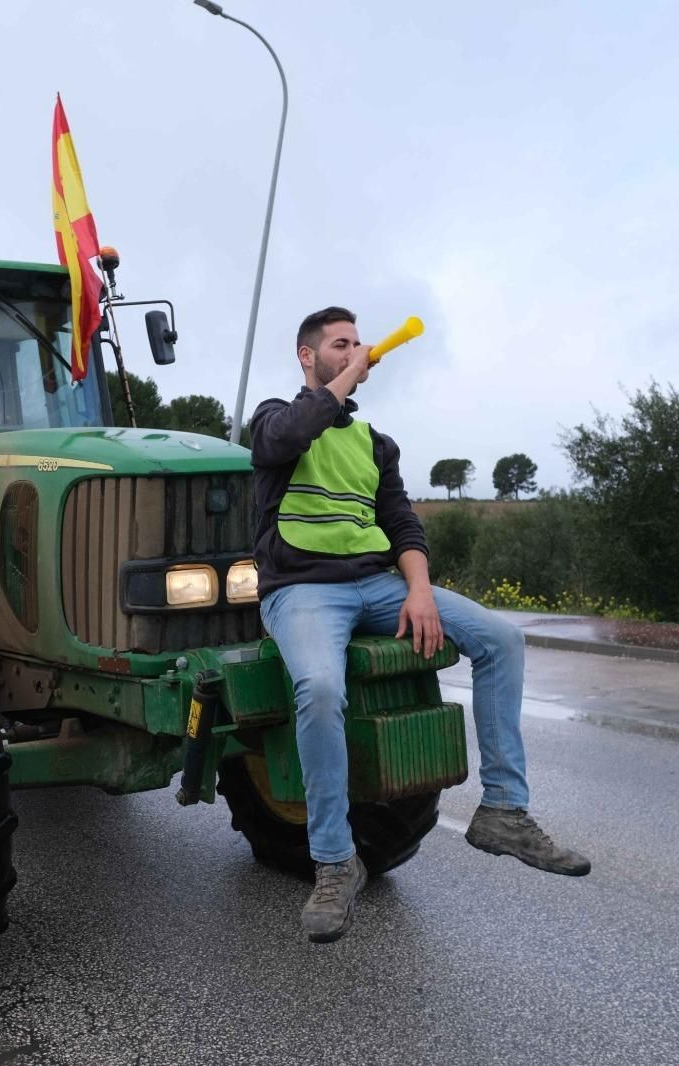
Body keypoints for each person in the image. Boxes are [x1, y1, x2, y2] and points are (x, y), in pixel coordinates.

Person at [251, 306, 590, 945]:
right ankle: (333, 861)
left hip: (376, 585)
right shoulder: (275, 417)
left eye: (359, 343)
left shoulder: (376, 444)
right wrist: (346, 378)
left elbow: (402, 524)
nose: (356, 351)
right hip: (300, 592)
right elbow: (285, 438)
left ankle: (503, 811)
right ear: (307, 356)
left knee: (501, 639)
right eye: (339, 345)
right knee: (320, 690)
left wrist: (420, 592)